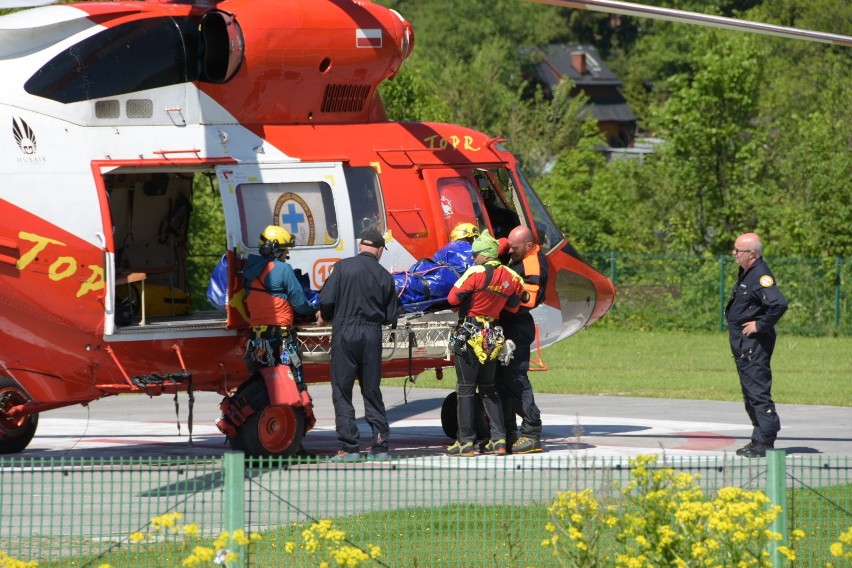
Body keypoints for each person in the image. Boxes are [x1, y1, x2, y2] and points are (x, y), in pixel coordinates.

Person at [319, 227, 401, 462]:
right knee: (371, 390)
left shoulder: (342, 267)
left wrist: (326, 314)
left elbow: (326, 299)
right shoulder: (385, 275)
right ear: (379, 250)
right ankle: (380, 445)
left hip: (345, 331)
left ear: (360, 246)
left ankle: (350, 448)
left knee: (342, 390)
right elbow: (390, 315)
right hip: (371, 334)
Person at [446, 230, 526, 456]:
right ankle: (499, 440)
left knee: (465, 389)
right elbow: (513, 306)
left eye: (475, 255)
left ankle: (466, 442)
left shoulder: (475, 273)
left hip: (470, 334)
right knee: (489, 389)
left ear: (484, 255)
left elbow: (453, 298)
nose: (473, 258)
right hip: (493, 336)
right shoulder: (511, 275)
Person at [242, 225, 320, 455]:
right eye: (284, 249)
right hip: (281, 339)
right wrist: (313, 310)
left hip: (257, 340)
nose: (287, 254)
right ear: (275, 249)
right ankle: (295, 444)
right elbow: (300, 302)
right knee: (295, 388)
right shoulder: (283, 270)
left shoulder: (249, 270)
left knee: (263, 389)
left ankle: (260, 437)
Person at [725, 232, 788, 458]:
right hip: (744, 344)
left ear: (752, 254)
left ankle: (765, 440)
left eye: (738, 251)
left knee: (757, 390)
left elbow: (779, 304)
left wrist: (760, 325)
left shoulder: (761, 276)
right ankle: (758, 438)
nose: (734, 253)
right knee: (749, 391)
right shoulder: (747, 273)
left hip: (754, 343)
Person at [496, 225, 549, 454]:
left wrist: (499, 289)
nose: (510, 251)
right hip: (506, 323)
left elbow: (528, 299)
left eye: (514, 248)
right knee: (501, 380)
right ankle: (508, 431)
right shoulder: (518, 256)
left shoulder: (532, 263)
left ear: (528, 245)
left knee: (516, 378)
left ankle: (531, 431)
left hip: (517, 325)